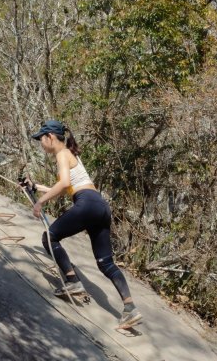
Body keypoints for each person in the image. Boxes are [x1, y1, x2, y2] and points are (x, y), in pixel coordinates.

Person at [27, 120, 142, 327]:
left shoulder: (62, 154)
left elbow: (64, 184)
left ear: (51, 137)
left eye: (41, 140)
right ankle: (130, 308)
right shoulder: (72, 155)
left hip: (86, 203)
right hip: (100, 206)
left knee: (50, 237)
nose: (41, 144)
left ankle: (72, 282)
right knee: (105, 262)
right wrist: (36, 187)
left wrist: (39, 204)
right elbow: (64, 188)